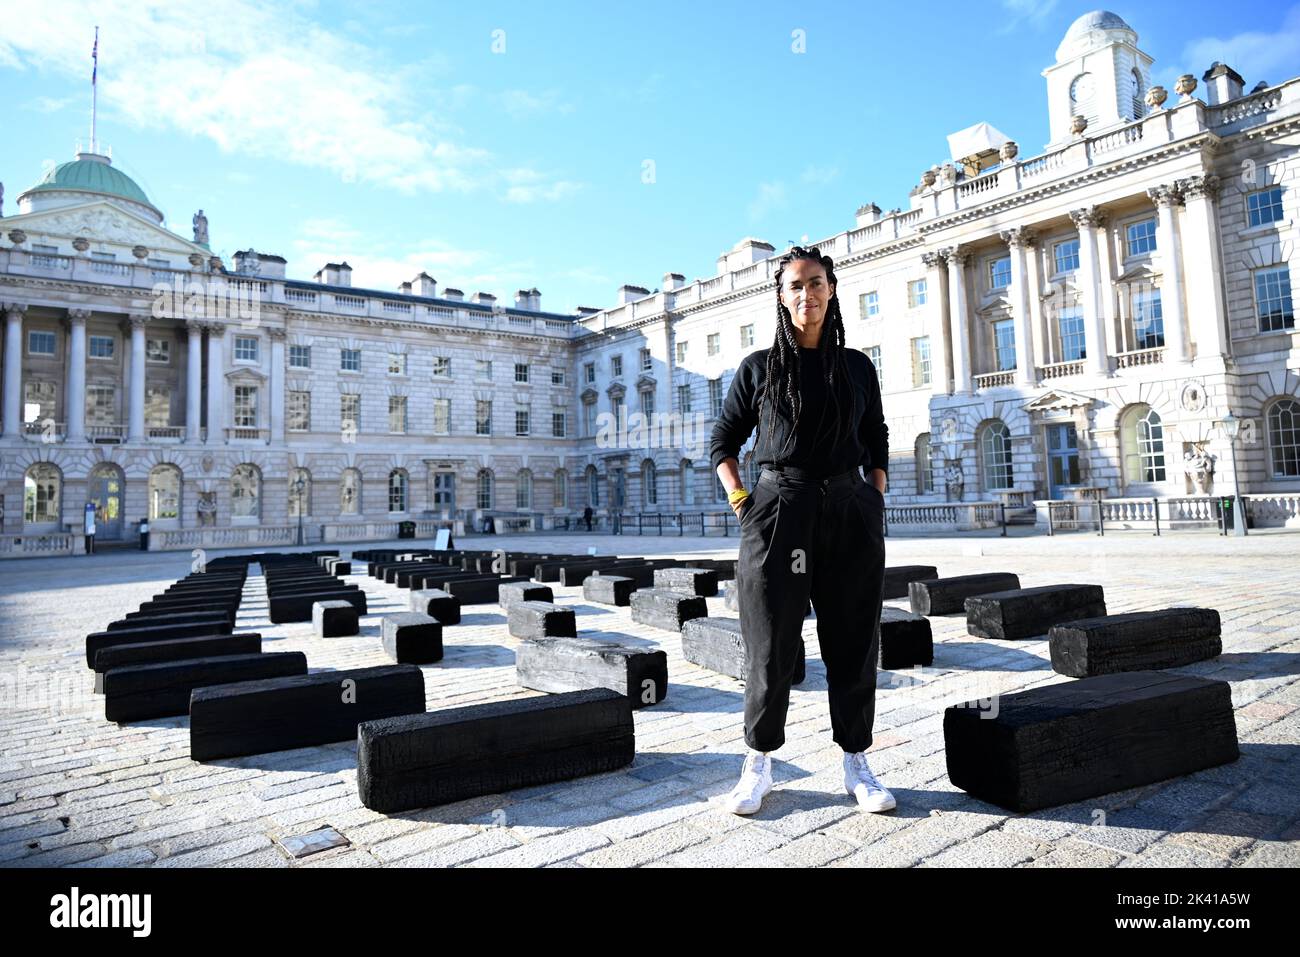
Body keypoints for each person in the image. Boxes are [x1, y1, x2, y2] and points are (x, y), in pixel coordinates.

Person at [709, 245, 893, 816]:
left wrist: (874, 496)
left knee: (854, 642)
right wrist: (743, 501)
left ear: (831, 290)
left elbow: (877, 435)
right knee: (769, 642)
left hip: (847, 512)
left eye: (815, 283)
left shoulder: (858, 367)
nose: (806, 295)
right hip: (778, 511)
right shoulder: (760, 368)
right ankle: (759, 762)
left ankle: (856, 761)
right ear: (781, 296)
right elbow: (723, 440)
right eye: (794, 286)